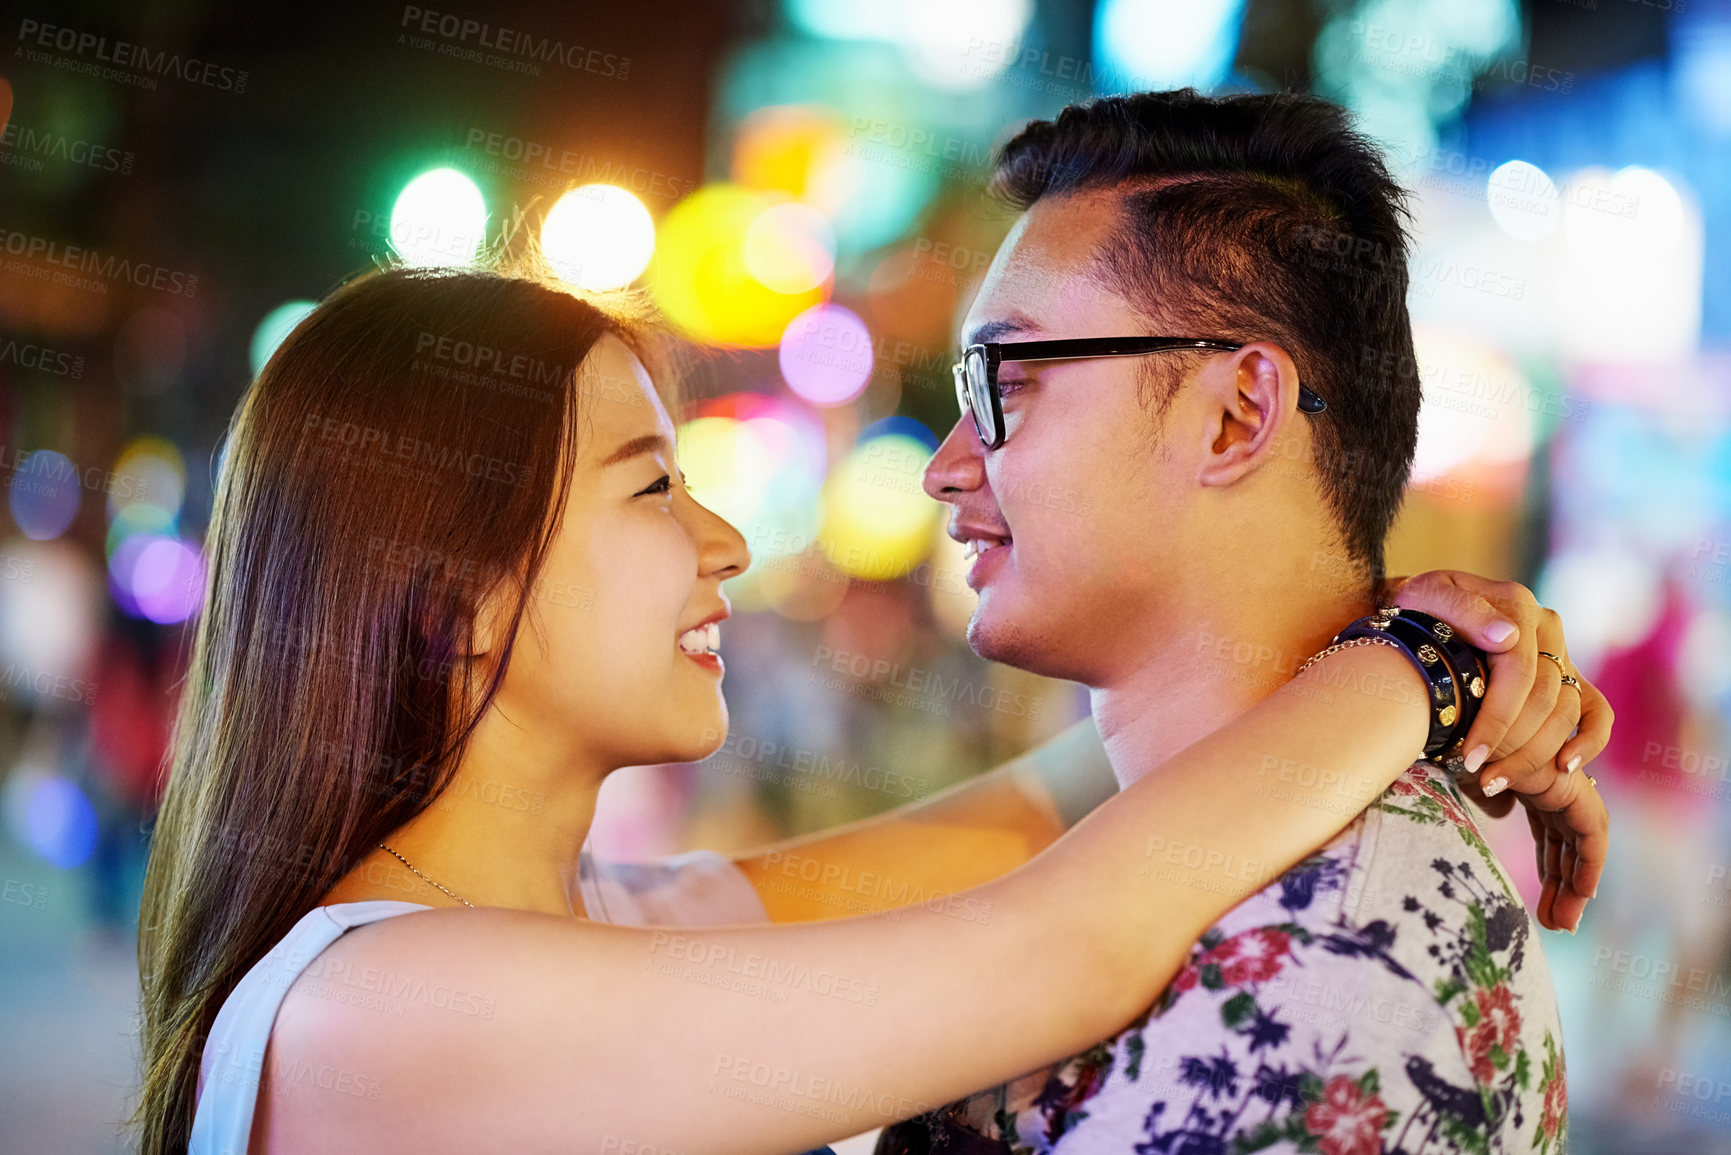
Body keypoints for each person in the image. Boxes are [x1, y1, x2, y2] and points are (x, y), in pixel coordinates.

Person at [131, 263, 1599, 1155]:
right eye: (651, 484)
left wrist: (1369, 628)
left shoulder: (600, 927)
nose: (724, 540)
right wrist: (1424, 669)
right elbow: (1059, 942)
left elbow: (1038, 810)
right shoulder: (378, 1016)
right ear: (451, 587)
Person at [874, 89, 1602, 1154]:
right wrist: (1413, 666)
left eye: (1005, 381)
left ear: (1237, 415)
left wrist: (1413, 668)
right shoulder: (1205, 850)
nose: (944, 470)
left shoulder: (1337, 971)